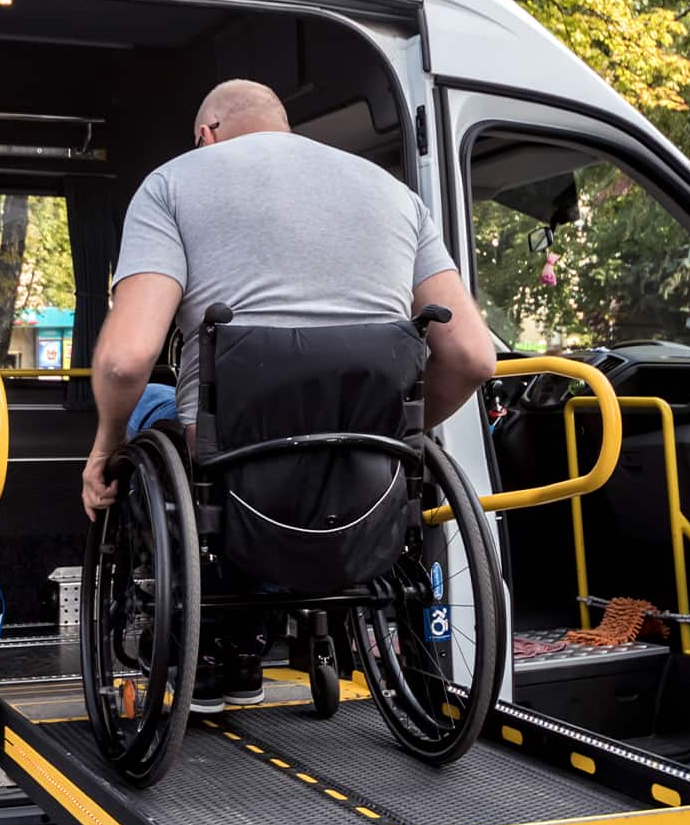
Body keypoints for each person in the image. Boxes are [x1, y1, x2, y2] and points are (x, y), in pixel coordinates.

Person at [80, 78, 496, 713]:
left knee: (149, 405)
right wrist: (394, 433)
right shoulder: (395, 194)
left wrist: (104, 448)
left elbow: (124, 359)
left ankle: (207, 638)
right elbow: (473, 357)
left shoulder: (173, 183)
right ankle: (253, 638)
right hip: (364, 458)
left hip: (228, 450)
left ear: (206, 135)